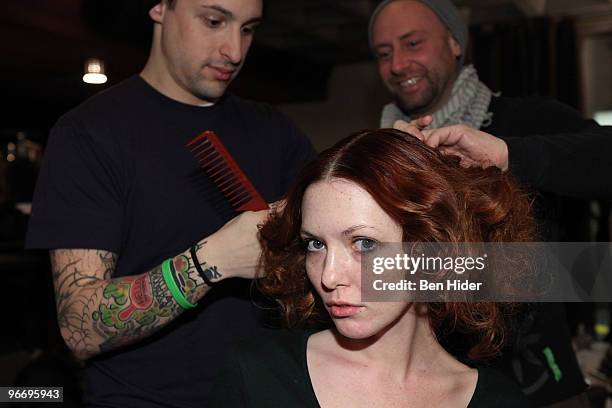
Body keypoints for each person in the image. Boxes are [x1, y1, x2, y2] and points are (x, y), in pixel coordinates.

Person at [25, 0, 315, 406]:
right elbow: (79, 330)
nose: (234, 50)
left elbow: (348, 270)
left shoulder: (277, 132)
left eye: (248, 29)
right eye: (214, 21)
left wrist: (401, 179)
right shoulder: (89, 134)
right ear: (160, 7)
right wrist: (209, 262)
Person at [368, 0, 612, 406]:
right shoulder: (375, 153)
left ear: (454, 42)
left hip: (539, 386)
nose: (397, 64)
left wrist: (507, 155)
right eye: (383, 53)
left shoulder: (525, 120)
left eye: (412, 43)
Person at [211, 128, 533, 407]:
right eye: (316, 244)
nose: (329, 276)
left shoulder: (499, 400)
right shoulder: (257, 376)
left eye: (364, 244)